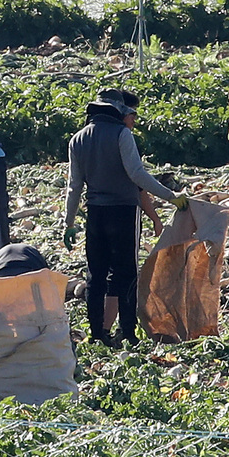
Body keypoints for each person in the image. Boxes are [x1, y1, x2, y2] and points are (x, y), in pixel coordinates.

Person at [63, 92, 184, 346]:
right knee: (126, 273)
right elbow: (137, 174)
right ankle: (127, 333)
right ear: (116, 111)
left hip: (95, 214)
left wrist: (69, 223)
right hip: (124, 213)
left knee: (95, 276)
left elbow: (74, 186)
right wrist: (171, 196)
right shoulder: (121, 134)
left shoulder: (77, 139)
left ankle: (97, 334)